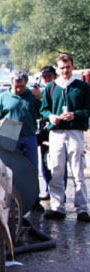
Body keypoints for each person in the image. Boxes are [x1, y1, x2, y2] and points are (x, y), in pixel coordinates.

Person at [40, 53, 90, 221]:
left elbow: (88, 109)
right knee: (56, 170)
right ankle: (57, 207)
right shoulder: (51, 87)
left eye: (68, 67)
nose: (65, 71)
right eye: (62, 68)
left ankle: (82, 208)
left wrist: (75, 114)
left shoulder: (82, 87)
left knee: (78, 171)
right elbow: (44, 109)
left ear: (73, 67)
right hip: (56, 133)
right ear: (57, 69)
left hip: (75, 132)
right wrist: (50, 116)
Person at [0, 69, 40, 169]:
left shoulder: (33, 97)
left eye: (22, 86)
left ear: (26, 83)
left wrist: (40, 98)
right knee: (9, 168)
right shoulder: (3, 98)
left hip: (29, 137)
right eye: (16, 87)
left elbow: (42, 112)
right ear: (11, 84)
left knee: (32, 168)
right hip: (8, 138)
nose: (19, 89)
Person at [36, 65, 57, 201]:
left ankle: (59, 192)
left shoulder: (58, 89)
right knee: (45, 162)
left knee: (58, 164)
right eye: (45, 78)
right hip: (43, 130)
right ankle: (49, 190)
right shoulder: (41, 92)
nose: (47, 80)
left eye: (49, 77)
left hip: (56, 130)